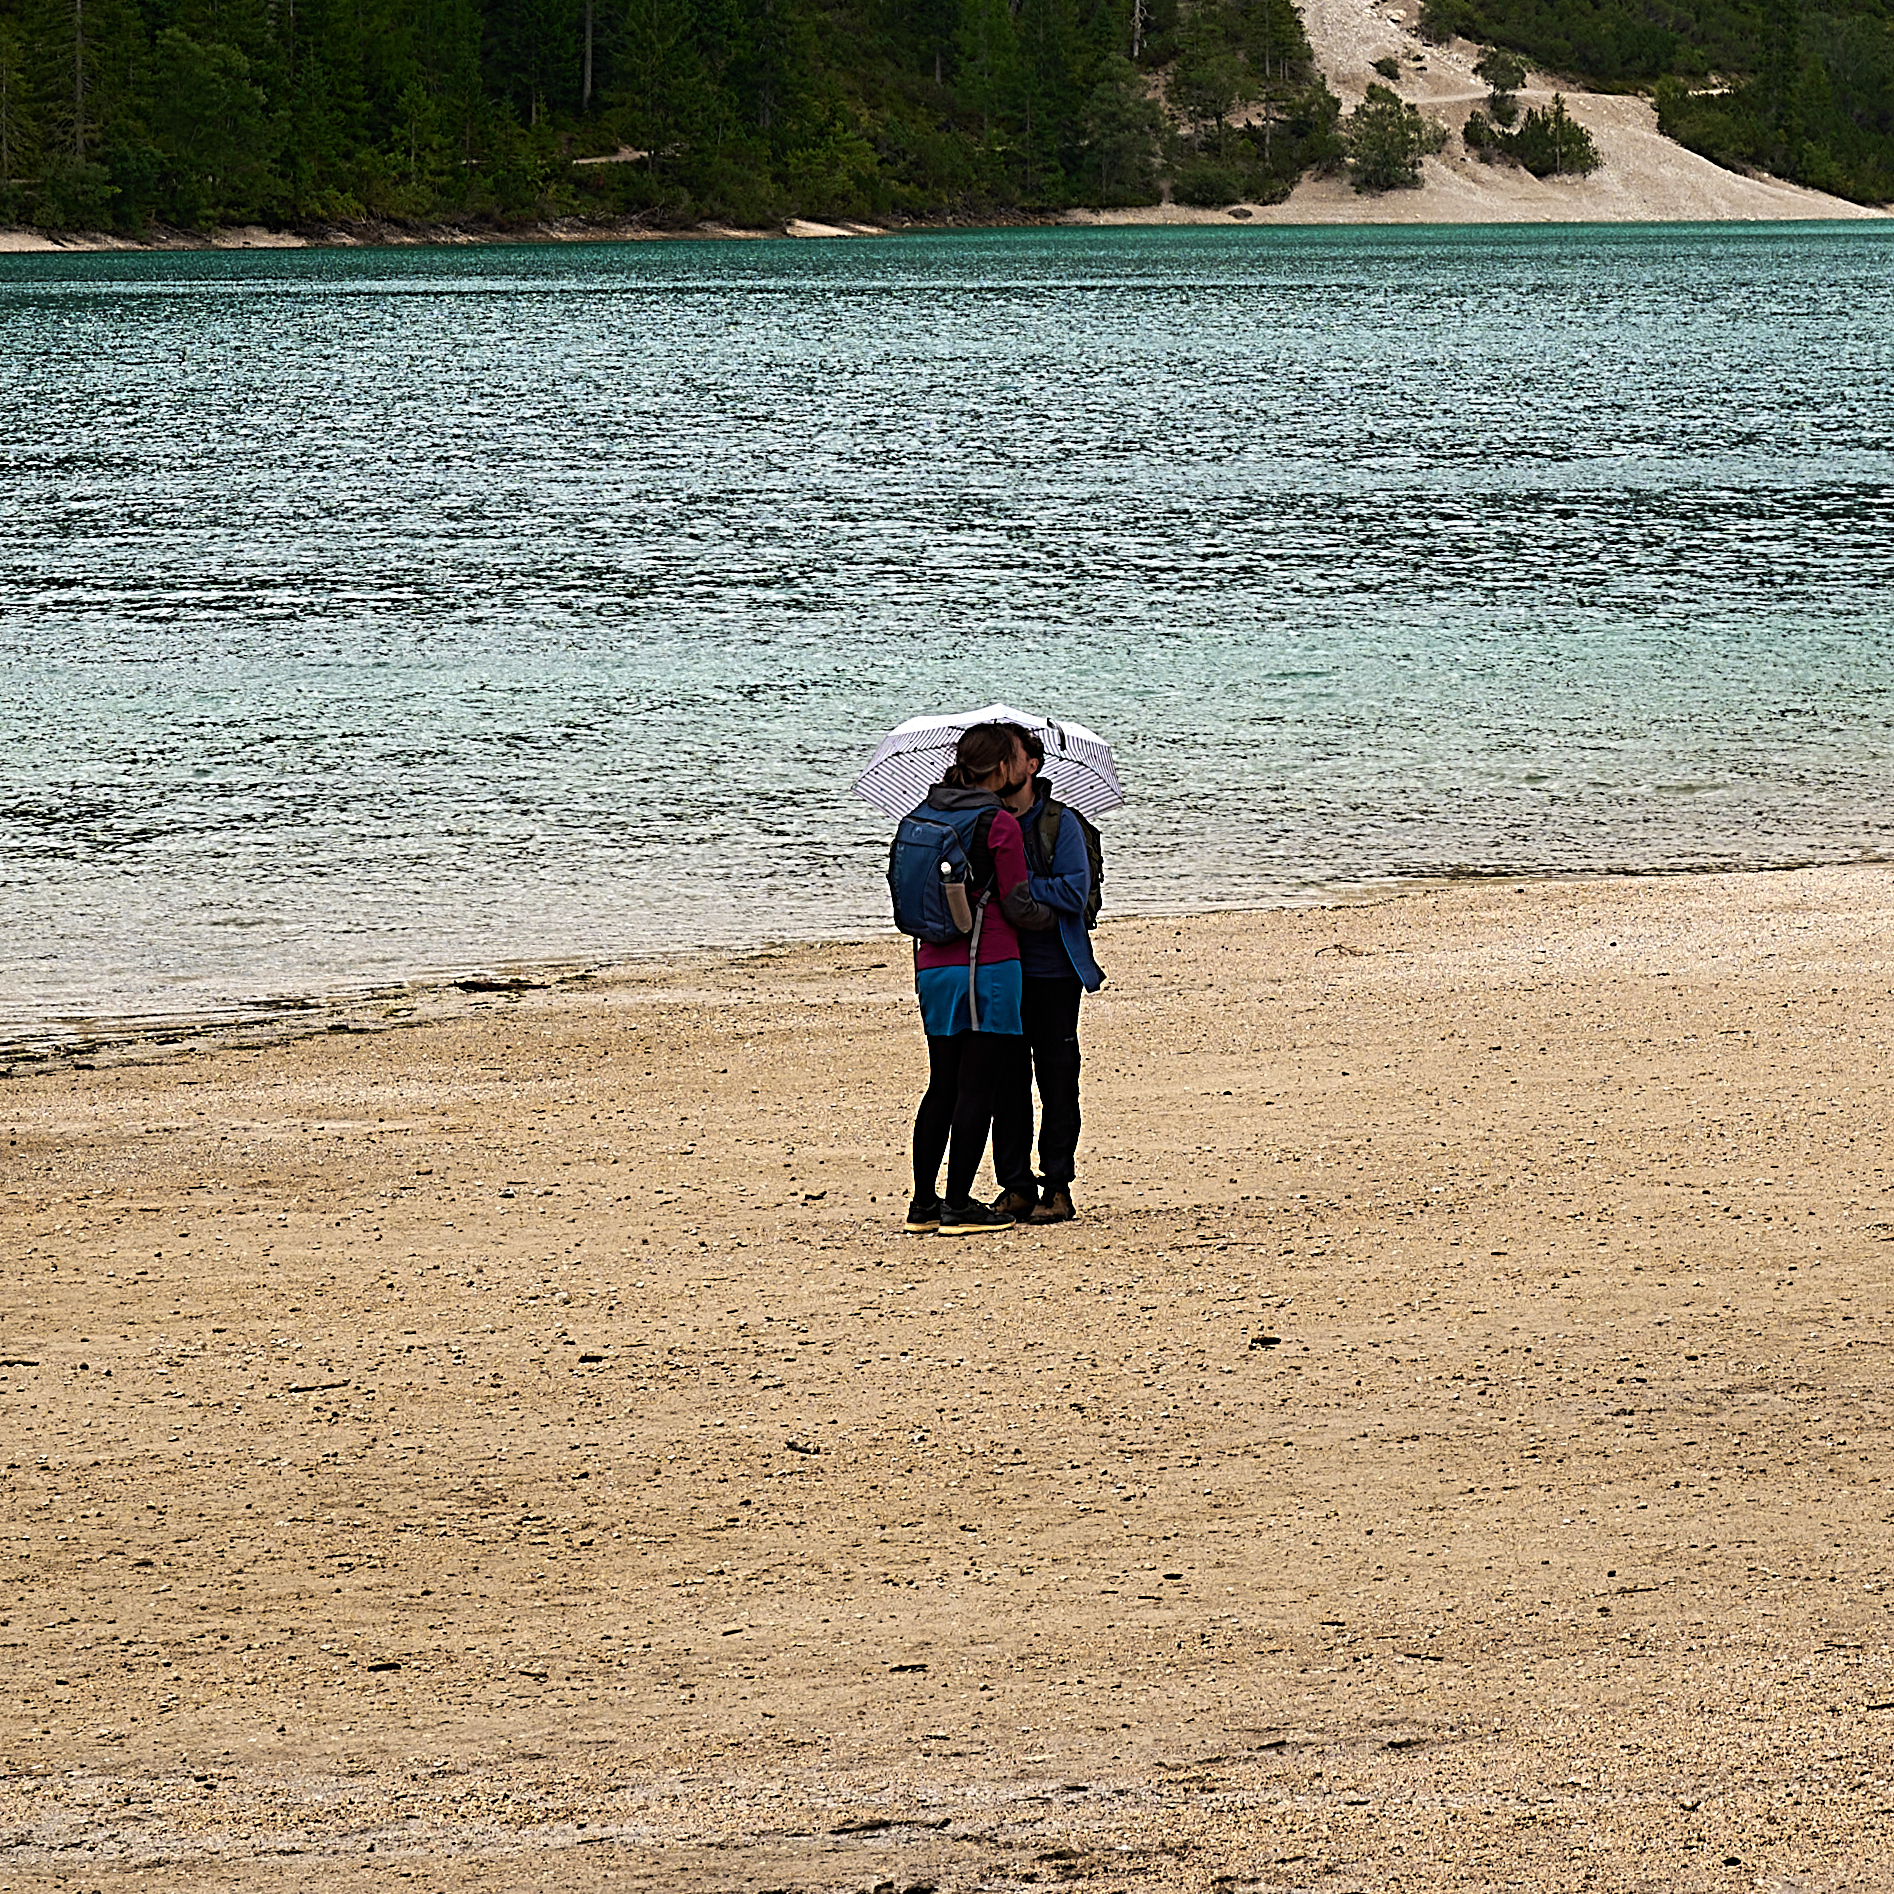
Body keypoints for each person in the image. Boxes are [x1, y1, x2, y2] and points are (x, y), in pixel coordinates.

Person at [906, 724, 1054, 1237]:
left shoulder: (923, 812)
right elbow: (1017, 904)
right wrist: (1056, 915)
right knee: (978, 1086)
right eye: (1018, 756)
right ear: (1000, 767)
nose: (1025, 763)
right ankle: (959, 1205)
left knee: (941, 1085)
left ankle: (923, 1205)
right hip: (987, 966)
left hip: (932, 967)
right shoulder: (998, 823)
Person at [989, 725, 1105, 1225]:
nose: (997, 768)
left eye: (1006, 758)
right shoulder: (984, 822)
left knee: (1058, 1080)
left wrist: (1017, 883)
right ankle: (1015, 1186)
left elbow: (1075, 893)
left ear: (1032, 765)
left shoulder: (1064, 824)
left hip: (1055, 969)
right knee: (1005, 1081)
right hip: (999, 968)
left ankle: (1057, 1186)